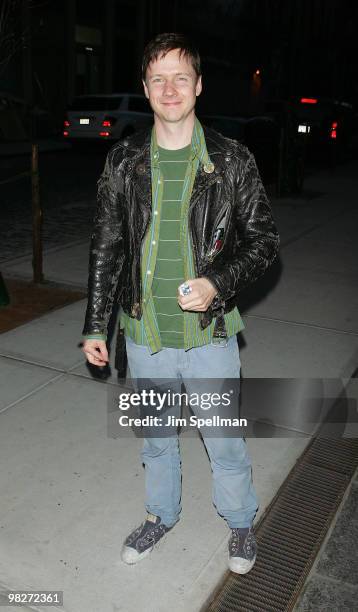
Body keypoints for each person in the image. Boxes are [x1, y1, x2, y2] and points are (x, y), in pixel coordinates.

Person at [82, 32, 279, 574]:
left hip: (208, 335)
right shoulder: (124, 161)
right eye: (158, 78)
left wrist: (218, 281)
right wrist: (96, 324)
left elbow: (264, 241)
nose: (170, 88)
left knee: (224, 439)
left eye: (181, 77)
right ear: (145, 88)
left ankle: (240, 525)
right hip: (143, 333)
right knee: (155, 438)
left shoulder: (231, 159)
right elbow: (106, 244)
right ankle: (160, 515)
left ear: (199, 85)